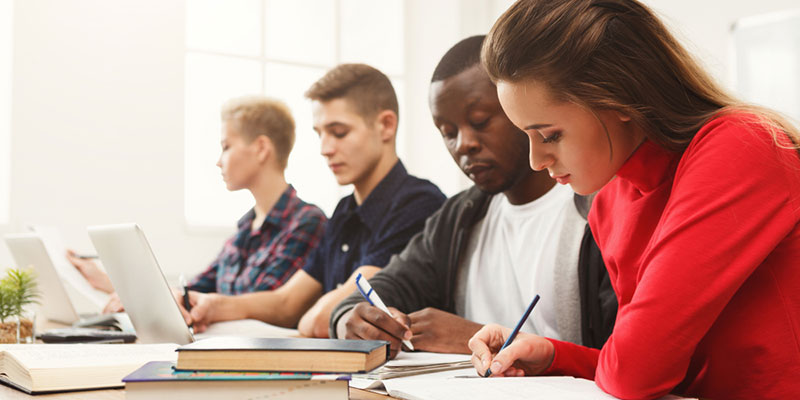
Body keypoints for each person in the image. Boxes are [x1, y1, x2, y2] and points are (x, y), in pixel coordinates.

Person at [468, 1, 800, 399]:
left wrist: (614, 362)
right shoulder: (611, 199)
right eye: (526, 135)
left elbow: (635, 372)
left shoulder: (743, 147)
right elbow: (649, 372)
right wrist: (555, 355)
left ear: (619, 98)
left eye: (550, 135)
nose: (536, 160)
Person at [331, 36, 616, 358]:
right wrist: (351, 321)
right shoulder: (459, 216)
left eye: (480, 122)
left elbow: (626, 359)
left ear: (521, 109)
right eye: (448, 132)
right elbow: (376, 293)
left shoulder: (601, 208)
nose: (463, 144)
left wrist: (473, 337)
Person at [184, 63, 446, 337]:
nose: (325, 149)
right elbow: (287, 302)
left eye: (339, 132)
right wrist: (213, 305)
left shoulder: (419, 204)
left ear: (386, 125)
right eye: (319, 134)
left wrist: (315, 314)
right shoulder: (344, 212)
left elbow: (322, 318)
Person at [68, 96, 327, 315]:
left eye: (226, 147)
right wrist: (108, 282)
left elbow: (270, 305)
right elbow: (192, 291)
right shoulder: (244, 231)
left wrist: (195, 302)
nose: (218, 161)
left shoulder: (306, 222)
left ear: (261, 148)